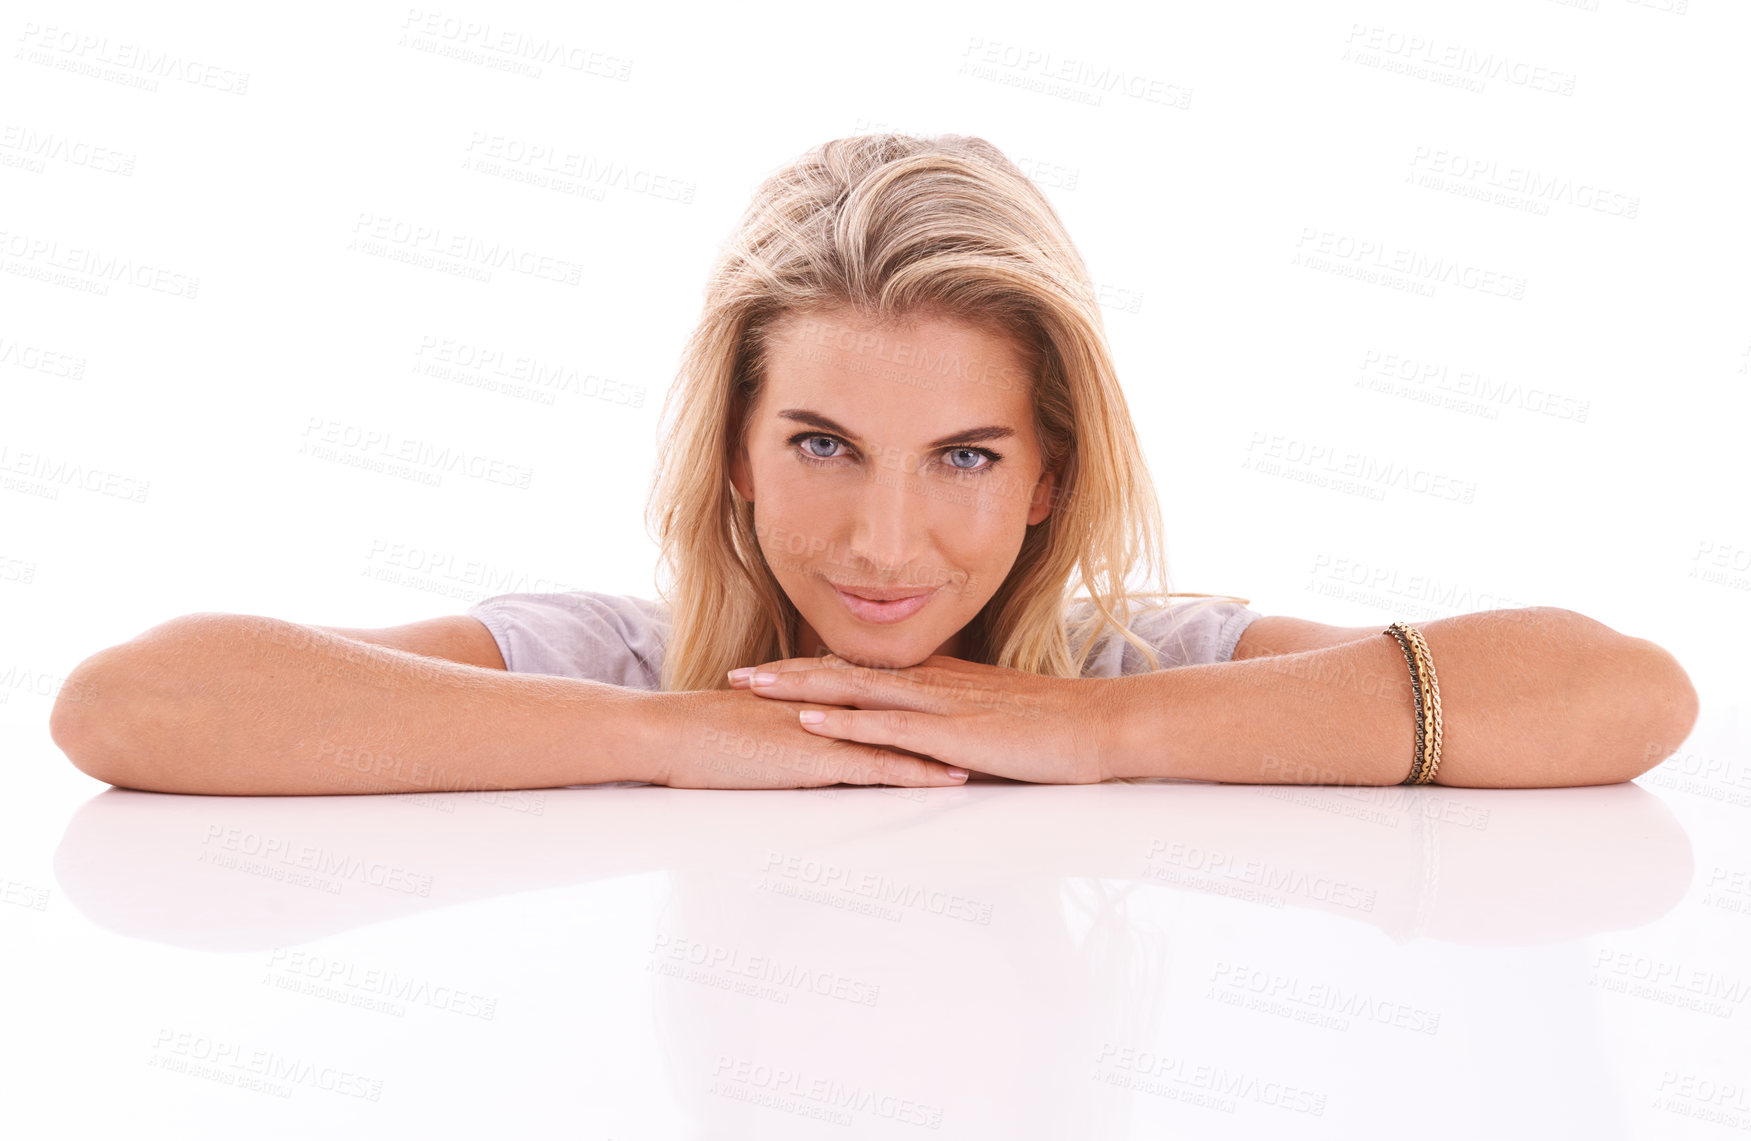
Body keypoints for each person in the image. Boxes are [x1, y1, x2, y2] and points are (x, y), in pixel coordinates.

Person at [49, 133, 1698, 796]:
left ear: (1052, 474)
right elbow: (126, 706)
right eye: (823, 443)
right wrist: (684, 738)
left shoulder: (1130, 659)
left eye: (967, 454)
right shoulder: (623, 661)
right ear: (736, 458)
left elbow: (1626, 695)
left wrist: (1105, 722)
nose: (884, 537)